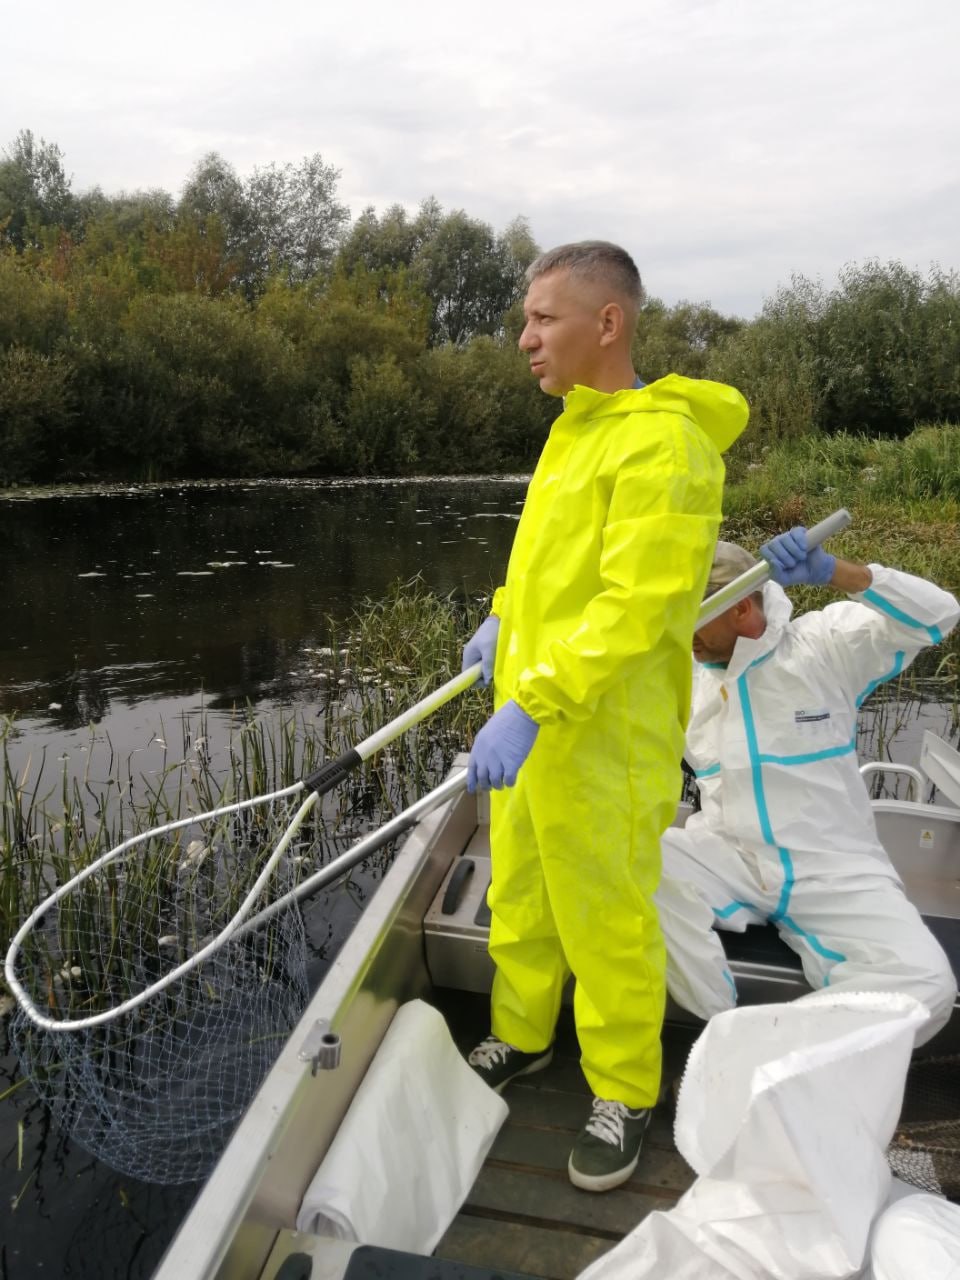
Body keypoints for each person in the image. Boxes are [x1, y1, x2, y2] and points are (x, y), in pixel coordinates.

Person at [459, 240, 749, 1193]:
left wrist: (535, 699)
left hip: (604, 736)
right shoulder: (575, 429)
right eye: (526, 320)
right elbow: (550, 559)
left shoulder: (665, 445)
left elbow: (637, 608)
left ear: (608, 323)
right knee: (524, 896)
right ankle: (521, 1034)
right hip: (534, 715)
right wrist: (501, 618)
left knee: (607, 921)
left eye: (544, 319)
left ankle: (623, 1087)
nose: (524, 339)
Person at [655, 526, 959, 1045]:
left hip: (833, 865)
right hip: (729, 857)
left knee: (928, 985)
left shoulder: (824, 644)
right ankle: (718, 1024)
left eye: (695, 621)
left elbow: (939, 616)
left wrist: (837, 573)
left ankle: (763, 1046)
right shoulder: (683, 673)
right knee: (623, 859)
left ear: (742, 610)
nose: (686, 637)